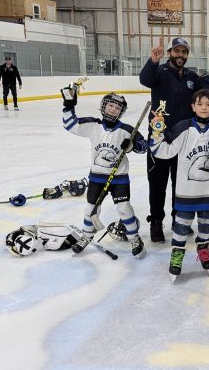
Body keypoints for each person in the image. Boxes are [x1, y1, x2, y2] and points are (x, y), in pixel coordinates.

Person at [62, 90, 148, 258]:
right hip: (97, 177)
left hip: (119, 178)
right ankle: (86, 236)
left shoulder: (126, 130)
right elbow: (69, 125)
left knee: (124, 208)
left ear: (121, 111)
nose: (113, 109)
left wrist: (131, 146)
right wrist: (68, 106)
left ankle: (134, 237)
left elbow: (144, 146)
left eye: (117, 107)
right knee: (91, 208)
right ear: (103, 106)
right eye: (110, 105)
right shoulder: (93, 125)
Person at [150, 89, 209, 277]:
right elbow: (165, 152)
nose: (204, 108)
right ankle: (177, 252)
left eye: (208, 104)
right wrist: (156, 134)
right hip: (186, 191)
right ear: (193, 107)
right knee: (181, 226)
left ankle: (203, 249)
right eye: (200, 104)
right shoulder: (183, 127)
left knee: (206, 224)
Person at [139, 36, 200, 243]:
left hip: (184, 140)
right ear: (170, 52)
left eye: (184, 52)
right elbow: (145, 80)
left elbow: (204, 98)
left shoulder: (193, 77)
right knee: (157, 183)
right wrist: (153, 61)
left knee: (180, 183)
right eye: (177, 51)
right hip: (159, 138)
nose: (180, 55)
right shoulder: (159, 72)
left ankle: (178, 219)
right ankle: (156, 222)